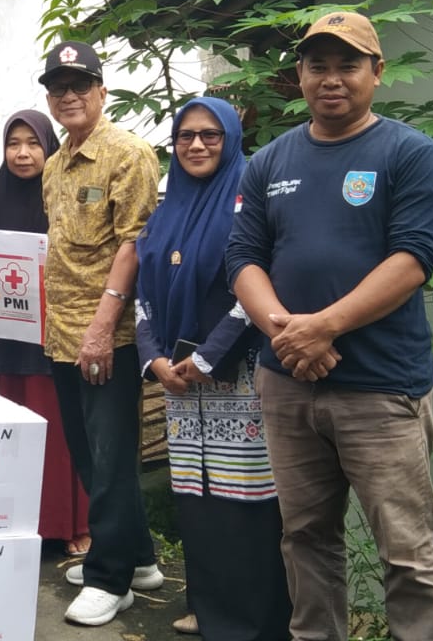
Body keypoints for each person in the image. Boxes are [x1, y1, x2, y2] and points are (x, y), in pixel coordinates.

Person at [226, 10, 433, 640]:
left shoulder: (409, 152)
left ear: (377, 73)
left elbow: (412, 260)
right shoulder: (269, 160)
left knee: (408, 553)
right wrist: (286, 332)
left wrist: (322, 327)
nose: (332, 79)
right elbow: (242, 258)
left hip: (380, 387)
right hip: (288, 384)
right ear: (299, 75)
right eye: (317, 65)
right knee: (305, 538)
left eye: (347, 65)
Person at [136, 98, 291, 640]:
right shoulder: (167, 207)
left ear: (230, 140)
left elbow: (257, 283)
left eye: (210, 135)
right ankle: (209, 607)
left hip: (240, 376)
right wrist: (154, 357)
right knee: (197, 498)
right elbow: (143, 292)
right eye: (184, 136)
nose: (196, 145)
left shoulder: (250, 200)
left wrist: (206, 358)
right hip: (179, 381)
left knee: (245, 501)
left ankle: (252, 621)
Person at [37, 40, 164, 626]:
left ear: (101, 91)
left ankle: (110, 579)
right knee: (88, 452)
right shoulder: (55, 163)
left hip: (104, 335)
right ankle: (137, 558)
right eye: (57, 88)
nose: (68, 96)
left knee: (111, 457)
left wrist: (101, 326)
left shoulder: (128, 155)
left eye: (79, 85)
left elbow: (134, 246)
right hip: (62, 332)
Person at [0, 110, 91, 556]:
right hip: (9, 340)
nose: (22, 153)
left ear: (49, 147)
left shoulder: (62, 195)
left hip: (54, 337)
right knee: (12, 435)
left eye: (32, 143)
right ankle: (14, 524)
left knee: (58, 432)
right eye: (13, 143)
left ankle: (68, 523)